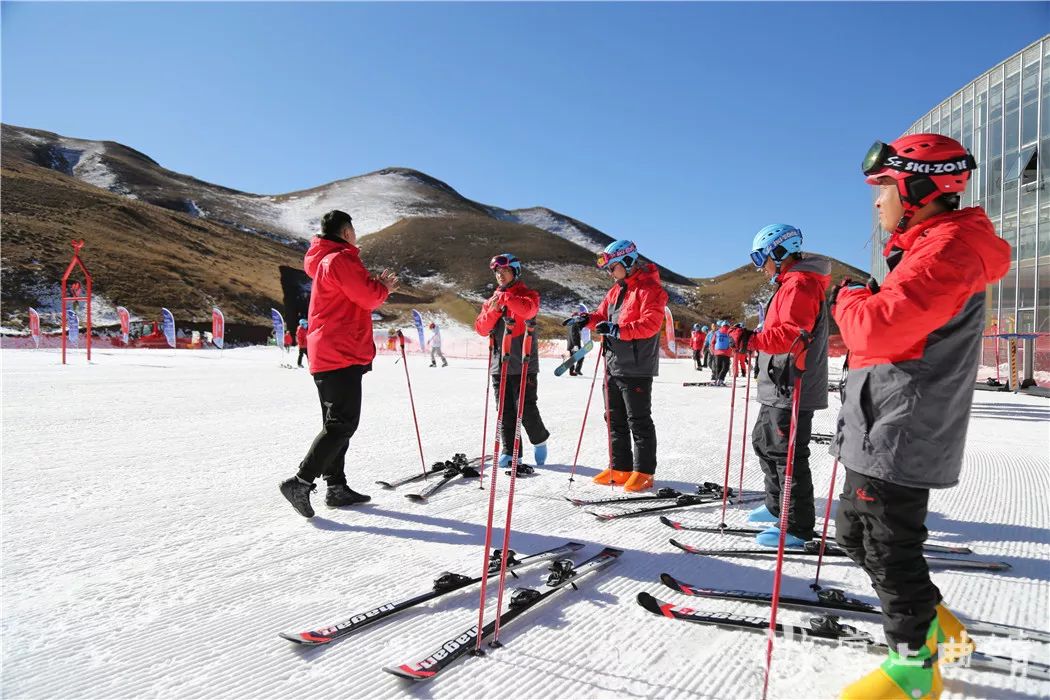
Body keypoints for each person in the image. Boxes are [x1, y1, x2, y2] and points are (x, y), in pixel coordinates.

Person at [831, 134, 1009, 700]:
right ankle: (941, 630)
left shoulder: (948, 250)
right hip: (878, 418)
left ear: (919, 187)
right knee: (857, 535)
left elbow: (876, 328)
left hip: (902, 425)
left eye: (883, 186)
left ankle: (914, 666)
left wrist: (847, 299)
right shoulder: (925, 247)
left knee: (887, 543)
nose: (876, 201)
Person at [279, 210, 400, 518]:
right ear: (347, 233)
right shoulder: (340, 260)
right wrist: (383, 286)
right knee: (342, 423)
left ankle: (336, 486)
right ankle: (301, 481)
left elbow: (353, 294)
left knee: (334, 423)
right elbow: (367, 297)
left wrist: (372, 284)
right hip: (341, 350)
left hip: (328, 350)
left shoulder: (324, 260)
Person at [726, 224, 831, 551]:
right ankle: (776, 507)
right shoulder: (788, 284)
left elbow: (791, 334)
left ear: (781, 252)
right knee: (765, 443)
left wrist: (751, 340)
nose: (760, 265)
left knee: (788, 455)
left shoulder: (800, 285)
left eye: (762, 257)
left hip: (794, 382)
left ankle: (798, 527)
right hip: (778, 381)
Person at [570, 239, 668, 493]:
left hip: (636, 365)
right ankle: (620, 467)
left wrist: (617, 329)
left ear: (627, 262)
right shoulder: (616, 290)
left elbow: (651, 324)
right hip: (612, 363)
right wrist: (586, 320)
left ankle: (644, 471)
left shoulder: (650, 290)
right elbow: (602, 317)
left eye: (612, 267)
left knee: (638, 420)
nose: (610, 272)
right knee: (614, 418)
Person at [474, 253, 549, 468]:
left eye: (504, 271)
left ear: (515, 272)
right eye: (497, 273)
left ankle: (539, 438)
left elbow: (528, 311)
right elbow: (481, 328)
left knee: (525, 409)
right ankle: (509, 451)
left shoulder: (528, 295)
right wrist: (494, 311)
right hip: (500, 364)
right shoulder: (491, 301)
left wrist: (506, 299)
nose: (500, 276)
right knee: (504, 410)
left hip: (524, 363)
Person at [710, 320, 733, 386]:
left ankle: (716, 379)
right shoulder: (730, 332)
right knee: (725, 367)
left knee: (717, 367)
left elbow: (712, 342)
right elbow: (732, 342)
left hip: (717, 352)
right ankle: (720, 379)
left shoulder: (717, 332)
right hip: (726, 352)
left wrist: (713, 350)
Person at [565, 305, 587, 376]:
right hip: (575, 344)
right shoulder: (575, 324)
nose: (578, 318)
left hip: (570, 344)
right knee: (581, 357)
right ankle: (577, 370)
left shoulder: (569, 325)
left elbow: (580, 326)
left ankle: (572, 371)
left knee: (572, 358)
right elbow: (574, 334)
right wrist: (576, 345)